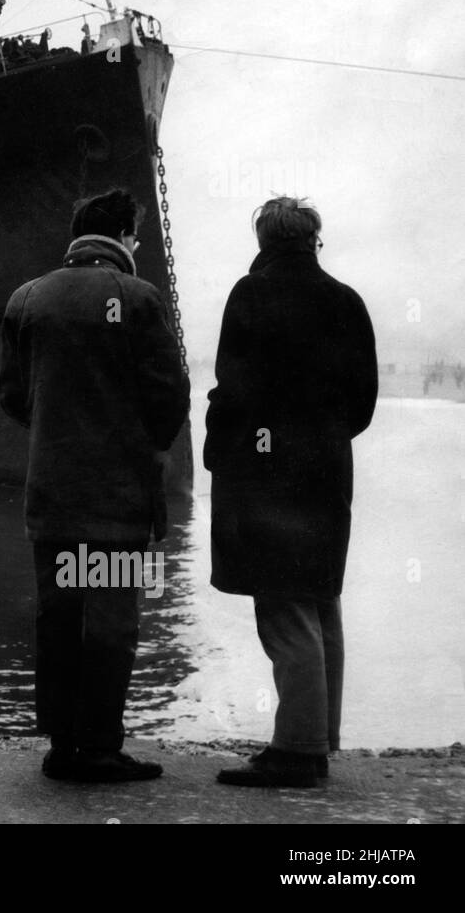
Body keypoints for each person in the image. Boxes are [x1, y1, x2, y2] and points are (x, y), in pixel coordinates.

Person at [0, 188, 189, 782]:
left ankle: (60, 746)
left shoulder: (26, 298)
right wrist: (139, 442)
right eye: (136, 235)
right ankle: (100, 747)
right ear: (126, 236)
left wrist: (55, 428)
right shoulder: (138, 298)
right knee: (111, 622)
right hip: (118, 500)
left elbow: (12, 395)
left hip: (51, 493)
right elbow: (170, 398)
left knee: (58, 618)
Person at [206, 197, 378, 788]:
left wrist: (222, 450)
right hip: (327, 470)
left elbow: (234, 389)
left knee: (283, 605)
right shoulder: (347, 301)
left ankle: (299, 752)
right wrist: (323, 439)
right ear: (314, 239)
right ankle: (319, 735)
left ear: (264, 240)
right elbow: (363, 402)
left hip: (266, 471)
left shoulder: (251, 296)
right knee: (319, 597)